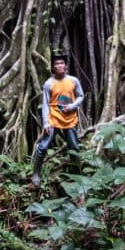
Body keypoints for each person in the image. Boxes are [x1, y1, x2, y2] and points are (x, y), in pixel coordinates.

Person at [31, 53, 84, 187]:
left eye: (61, 63)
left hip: (70, 118)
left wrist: (73, 105)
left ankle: (77, 174)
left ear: (65, 66)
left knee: (74, 147)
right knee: (43, 147)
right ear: (53, 68)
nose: (59, 65)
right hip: (53, 118)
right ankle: (36, 173)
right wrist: (45, 122)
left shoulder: (73, 80)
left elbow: (81, 96)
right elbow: (45, 104)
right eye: (56, 64)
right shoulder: (49, 83)